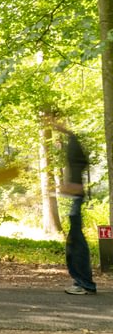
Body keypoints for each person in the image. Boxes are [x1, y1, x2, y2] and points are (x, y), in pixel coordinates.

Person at [46, 112, 97, 295]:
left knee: (76, 243)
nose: (52, 124)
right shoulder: (71, 142)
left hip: (76, 199)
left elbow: (79, 166)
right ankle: (82, 282)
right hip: (75, 199)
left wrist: (72, 187)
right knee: (74, 242)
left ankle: (85, 284)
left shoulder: (73, 142)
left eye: (54, 121)